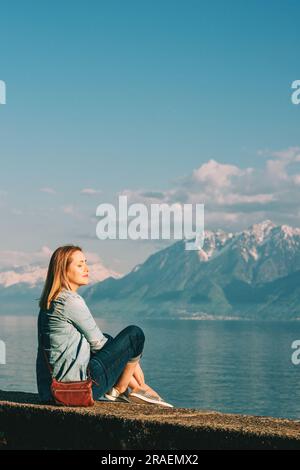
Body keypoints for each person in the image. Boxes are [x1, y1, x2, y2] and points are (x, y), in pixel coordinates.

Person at [36, 244, 173, 407]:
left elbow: (99, 342)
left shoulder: (50, 302)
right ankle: (126, 389)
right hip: (75, 391)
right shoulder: (70, 301)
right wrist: (133, 364)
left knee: (109, 338)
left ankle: (135, 389)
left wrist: (128, 360)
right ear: (63, 270)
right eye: (79, 265)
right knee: (135, 335)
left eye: (85, 263)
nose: (86, 268)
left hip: (49, 391)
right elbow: (99, 344)